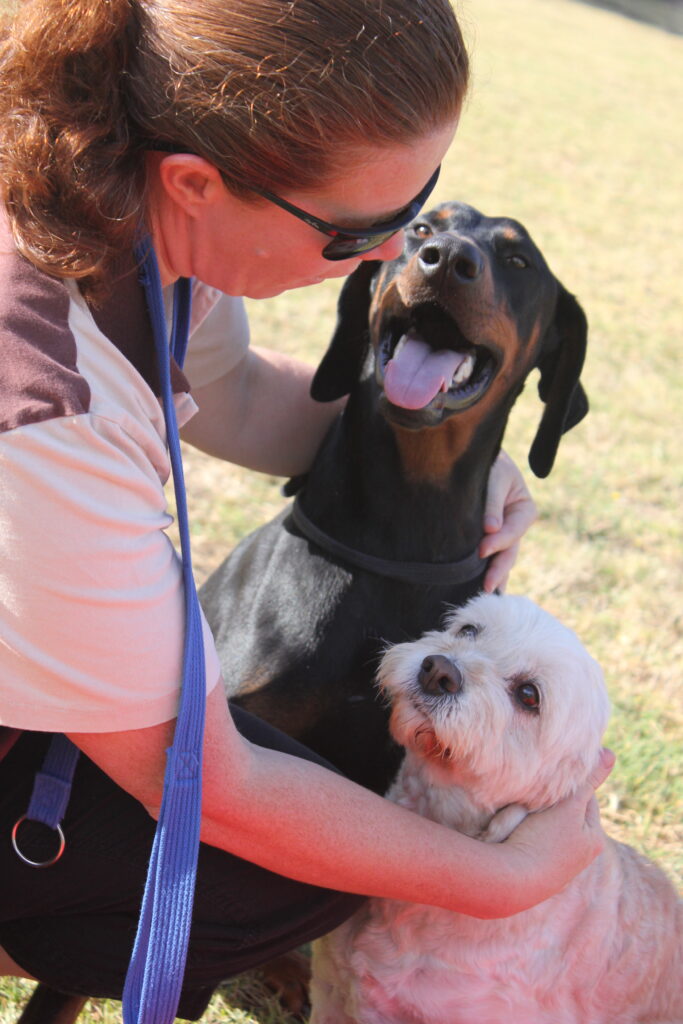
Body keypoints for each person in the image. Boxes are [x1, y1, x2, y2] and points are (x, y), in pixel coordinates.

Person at [0, 0, 612, 1019]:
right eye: (361, 231)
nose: (387, 262)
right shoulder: (47, 411)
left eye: (410, 206)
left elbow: (232, 389)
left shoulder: (125, 208)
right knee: (294, 858)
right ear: (197, 182)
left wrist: (452, 456)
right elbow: (210, 782)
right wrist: (506, 876)